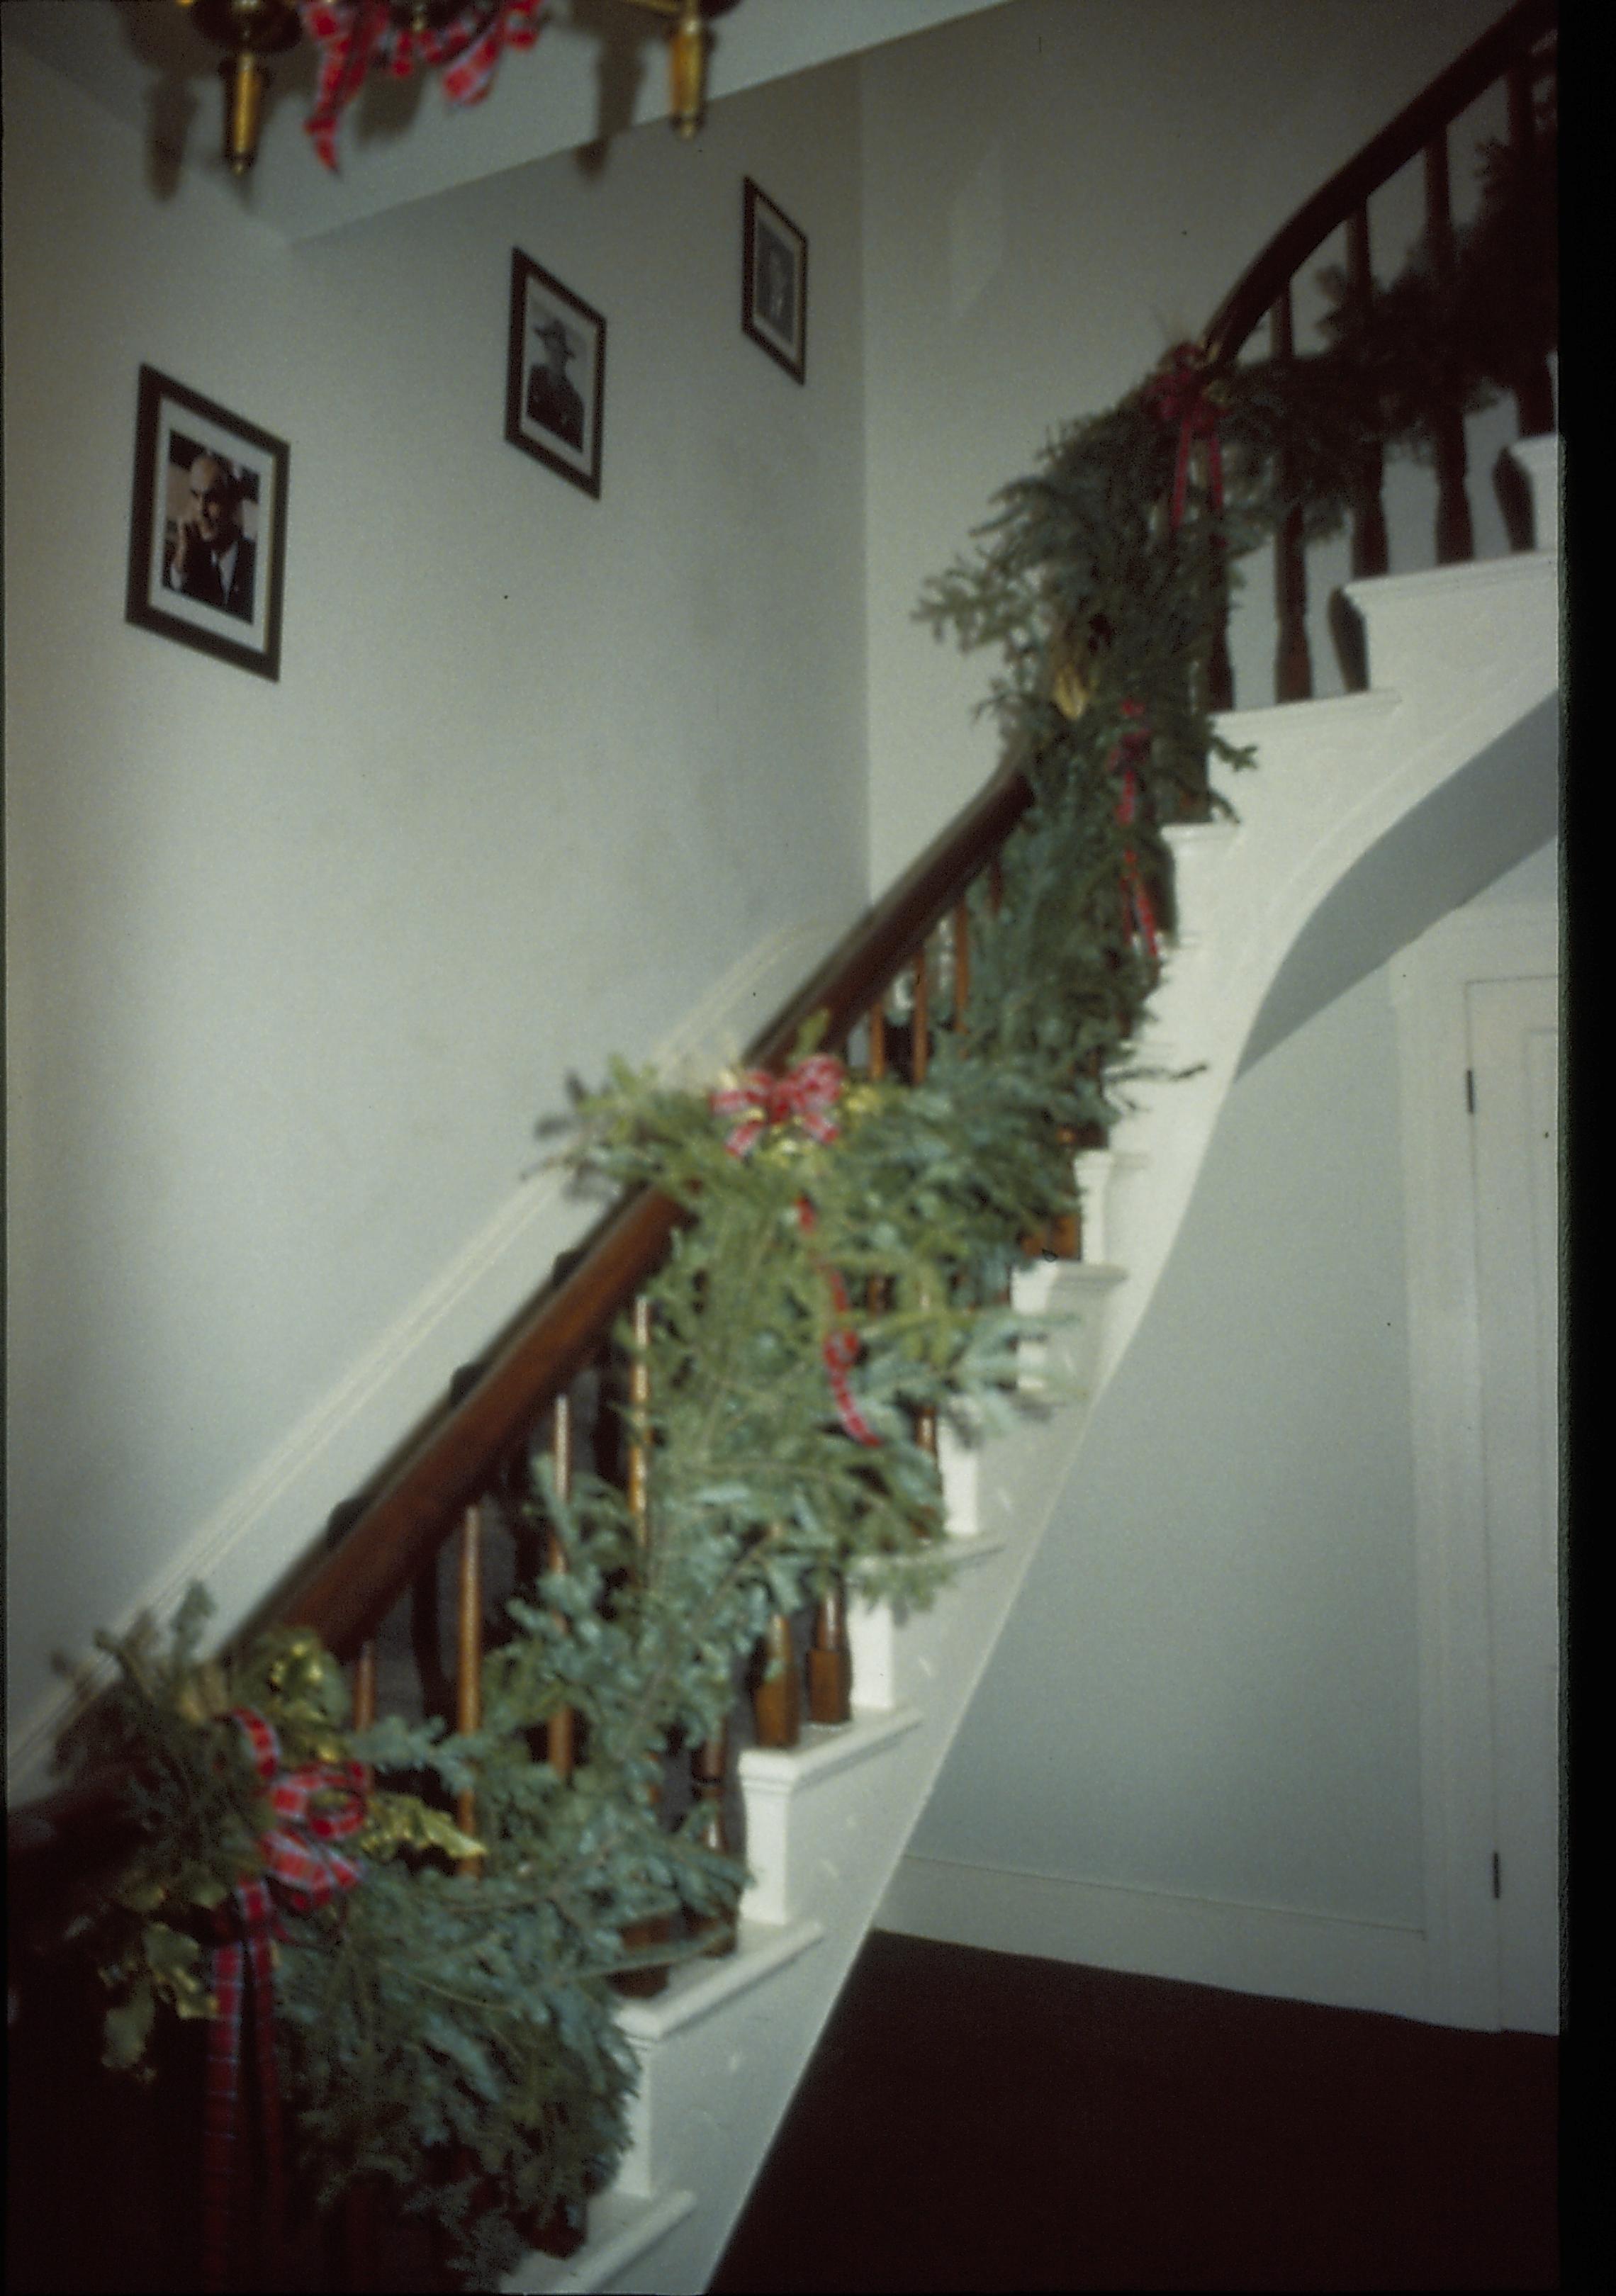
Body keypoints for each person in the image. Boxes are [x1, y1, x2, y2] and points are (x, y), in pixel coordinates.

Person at [165, 451, 255, 622]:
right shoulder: (188, 559)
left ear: (233, 504)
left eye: (212, 498)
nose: (201, 510)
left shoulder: (256, 562)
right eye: (195, 496)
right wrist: (183, 555)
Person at [526, 315, 585, 449]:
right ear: (545, 350)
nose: (554, 357)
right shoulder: (532, 376)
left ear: (565, 358)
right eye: (550, 349)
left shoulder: (574, 403)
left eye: (558, 352)